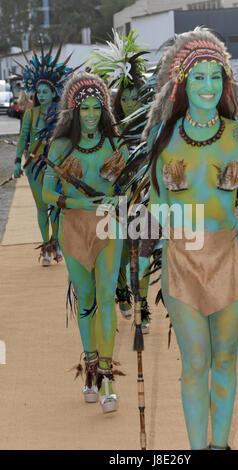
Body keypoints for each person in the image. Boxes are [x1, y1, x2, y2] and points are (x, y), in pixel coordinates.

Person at [140, 27, 238, 450]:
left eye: (216, 76)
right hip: (180, 259)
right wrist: (140, 261)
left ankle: (219, 446)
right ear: (182, 83)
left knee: (225, 360)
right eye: (199, 76)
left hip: (230, 259)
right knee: (195, 362)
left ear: (227, 82)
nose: (208, 86)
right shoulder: (163, 138)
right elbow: (155, 206)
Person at [42, 72, 128, 413]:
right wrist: (81, 203)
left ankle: (107, 377)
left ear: (105, 108)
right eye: (85, 108)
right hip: (74, 227)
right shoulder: (61, 146)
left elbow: (127, 190)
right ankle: (90, 369)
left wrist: (120, 200)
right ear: (73, 111)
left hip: (109, 226)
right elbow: (49, 193)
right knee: (88, 299)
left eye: (97, 107)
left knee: (107, 297)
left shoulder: (115, 144)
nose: (91, 114)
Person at [89, 30, 152, 331]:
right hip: (118, 203)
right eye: (124, 98)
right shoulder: (111, 133)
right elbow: (104, 171)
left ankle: (143, 307)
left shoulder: (153, 128)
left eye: (134, 96)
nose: (129, 102)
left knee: (143, 254)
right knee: (122, 257)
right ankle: (122, 291)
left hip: (147, 202)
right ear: (117, 101)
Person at [13, 44, 73, 265]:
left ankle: (56, 242)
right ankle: (45, 248)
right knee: (41, 207)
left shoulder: (61, 114)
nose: (41, 95)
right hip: (34, 166)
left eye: (45, 91)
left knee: (56, 205)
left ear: (54, 92)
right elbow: (22, 138)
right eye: (39, 91)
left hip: (56, 166)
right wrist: (16, 162)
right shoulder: (30, 114)